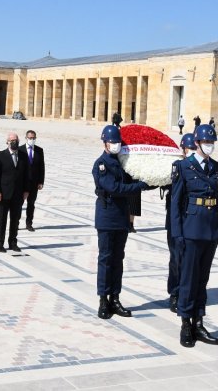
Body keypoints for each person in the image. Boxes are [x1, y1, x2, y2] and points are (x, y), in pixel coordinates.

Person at [171, 124, 218, 347]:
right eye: (206, 143)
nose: (210, 146)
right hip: (190, 230)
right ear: (198, 143)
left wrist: (217, 228)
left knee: (202, 280)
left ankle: (199, 321)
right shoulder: (184, 167)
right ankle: (185, 324)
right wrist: (178, 234)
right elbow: (176, 204)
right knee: (188, 279)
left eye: (212, 143)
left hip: (210, 230)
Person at [92, 125, 150, 319]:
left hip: (121, 218)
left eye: (118, 142)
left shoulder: (124, 163)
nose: (116, 145)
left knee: (118, 260)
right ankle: (103, 300)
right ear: (105, 143)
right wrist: (138, 186)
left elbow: (133, 179)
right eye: (112, 142)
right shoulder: (101, 164)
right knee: (106, 260)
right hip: (107, 218)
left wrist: (149, 180)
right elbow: (115, 188)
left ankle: (115, 298)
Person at [161, 133, 197, 312]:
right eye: (188, 149)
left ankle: (186, 293)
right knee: (176, 258)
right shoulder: (176, 167)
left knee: (190, 260)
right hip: (175, 220)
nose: (191, 152)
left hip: (192, 221)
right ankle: (174, 293)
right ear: (182, 150)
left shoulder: (199, 168)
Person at [0, 132, 30, 252]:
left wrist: (26, 190)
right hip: (3, 193)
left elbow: (27, 175)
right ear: (7, 142)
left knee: (15, 220)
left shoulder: (23, 156)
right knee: (1, 220)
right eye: (12, 140)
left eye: (16, 140)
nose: (14, 142)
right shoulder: (0, 155)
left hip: (18, 194)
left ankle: (13, 242)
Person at [19, 130, 45, 232]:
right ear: (26, 138)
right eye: (30, 138)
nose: (32, 140)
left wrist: (41, 182)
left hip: (34, 183)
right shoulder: (20, 149)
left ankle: (29, 223)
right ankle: (15, 222)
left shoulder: (39, 150)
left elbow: (41, 167)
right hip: (22, 183)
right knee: (19, 204)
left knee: (31, 204)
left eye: (34, 138)